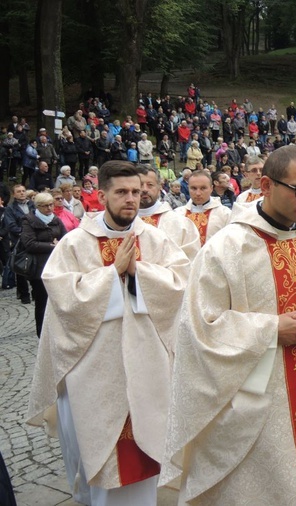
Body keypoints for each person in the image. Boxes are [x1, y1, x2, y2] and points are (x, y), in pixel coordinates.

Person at [162, 145, 296, 504]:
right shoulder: (227, 248)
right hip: (260, 401)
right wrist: (271, 330)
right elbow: (199, 327)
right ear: (265, 185)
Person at [27, 160, 190, 505]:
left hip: (149, 367)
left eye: (136, 191)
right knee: (102, 463)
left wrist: (140, 273)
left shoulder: (156, 239)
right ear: (101, 195)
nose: (131, 198)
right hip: (95, 372)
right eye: (121, 192)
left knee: (149, 464)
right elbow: (62, 298)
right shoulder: (74, 244)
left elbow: (181, 285)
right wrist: (112, 274)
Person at [20, 192, 66, 337]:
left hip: (57, 265)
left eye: (51, 204)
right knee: (42, 302)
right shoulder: (29, 220)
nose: (49, 208)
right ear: (38, 206)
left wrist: (59, 244)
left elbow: (65, 238)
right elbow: (29, 244)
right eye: (45, 206)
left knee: (58, 300)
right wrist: (52, 246)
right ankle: (42, 333)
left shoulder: (55, 219)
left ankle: (58, 331)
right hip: (39, 267)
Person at [137, 165, 200, 261]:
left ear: (159, 187)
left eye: (150, 185)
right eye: (140, 185)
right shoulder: (120, 223)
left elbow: (190, 262)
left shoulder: (180, 223)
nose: (145, 189)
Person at [174, 170, 231, 246]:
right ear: (188, 188)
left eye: (203, 188)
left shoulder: (225, 214)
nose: (198, 193)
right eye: (193, 188)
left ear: (211, 188)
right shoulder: (177, 214)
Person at [2, 184, 35, 304]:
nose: (22, 193)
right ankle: (24, 295)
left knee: (35, 266)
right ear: (14, 194)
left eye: (23, 191)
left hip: (34, 239)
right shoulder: (10, 208)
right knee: (21, 269)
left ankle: (35, 292)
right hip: (19, 242)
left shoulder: (32, 205)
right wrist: (25, 232)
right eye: (19, 191)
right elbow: (11, 226)